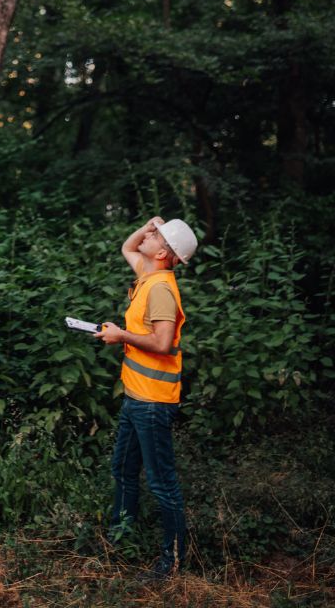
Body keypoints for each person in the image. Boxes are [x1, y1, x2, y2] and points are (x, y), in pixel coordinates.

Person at [98, 214, 198, 580]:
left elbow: (162, 342)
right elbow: (127, 245)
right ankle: (120, 539)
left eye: (156, 235)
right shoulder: (148, 273)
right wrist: (148, 224)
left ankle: (171, 563)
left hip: (153, 403)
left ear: (164, 254)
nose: (149, 235)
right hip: (135, 398)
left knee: (161, 482)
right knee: (123, 469)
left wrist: (121, 335)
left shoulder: (160, 289)